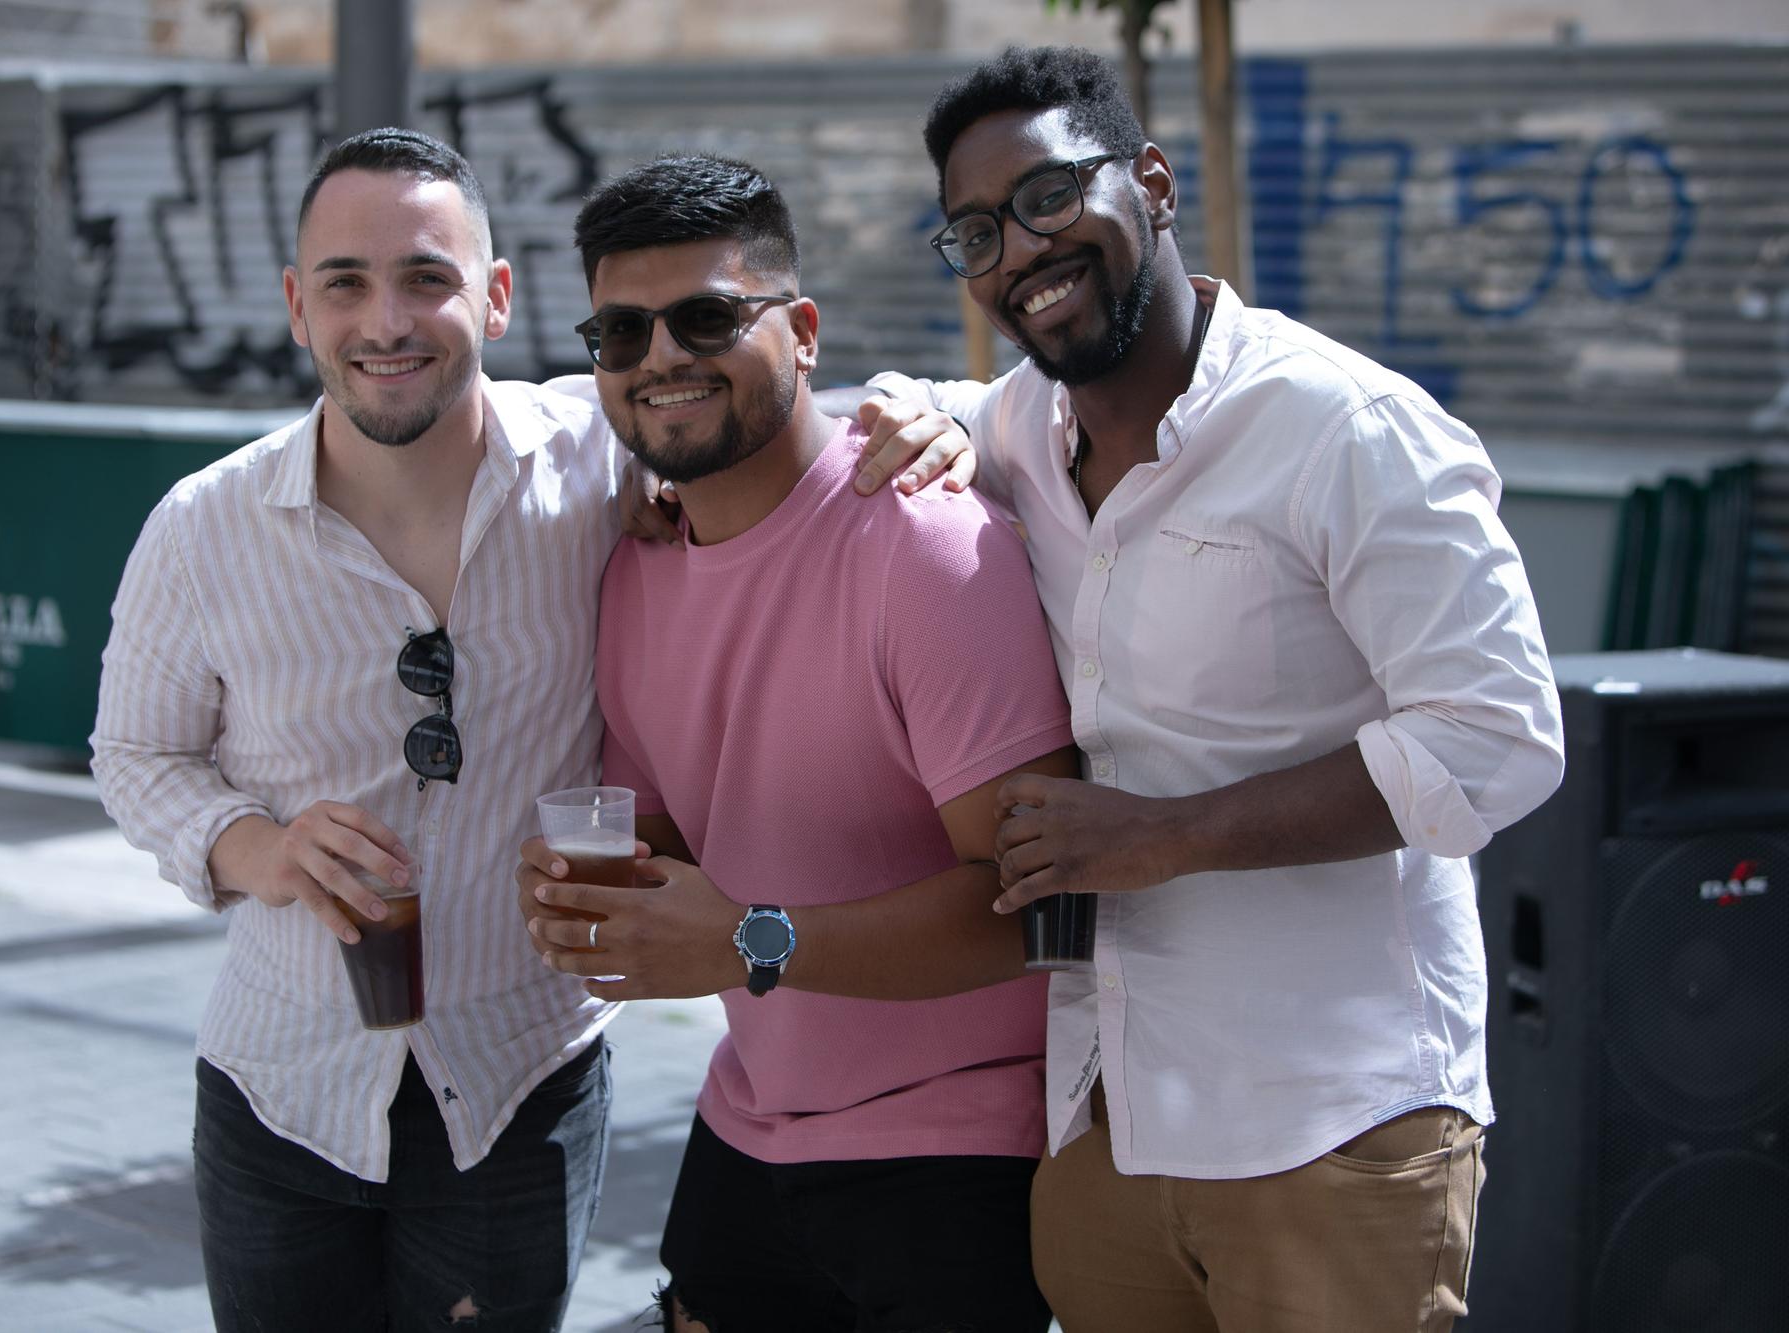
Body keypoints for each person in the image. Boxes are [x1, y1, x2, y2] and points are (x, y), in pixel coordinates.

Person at [89, 128, 966, 1333]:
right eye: (344, 282)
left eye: (426, 277)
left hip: (519, 1084)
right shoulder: (202, 526)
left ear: (495, 298)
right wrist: (261, 850)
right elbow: (137, 757)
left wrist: (928, 412)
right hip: (278, 1086)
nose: (384, 319)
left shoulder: (601, 453)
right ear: (298, 307)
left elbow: (776, 400)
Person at [863, 46, 1566, 1333]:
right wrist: (911, 411)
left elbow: (1496, 737)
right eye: (974, 232)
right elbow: (917, 399)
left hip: (1331, 1119)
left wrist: (1165, 837)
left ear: (1151, 182)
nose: (1019, 251)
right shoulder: (1023, 424)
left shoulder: (1345, 428)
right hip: (1105, 1116)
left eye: (1046, 199)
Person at [515, 153, 1079, 1332]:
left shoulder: (921, 545)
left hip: (961, 1151)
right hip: (746, 1126)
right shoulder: (636, 565)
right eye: (621, 333)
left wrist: (745, 940)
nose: (660, 356)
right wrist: (597, 895)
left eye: (707, 317)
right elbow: (675, 837)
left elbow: (1041, 908)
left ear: (804, 331)